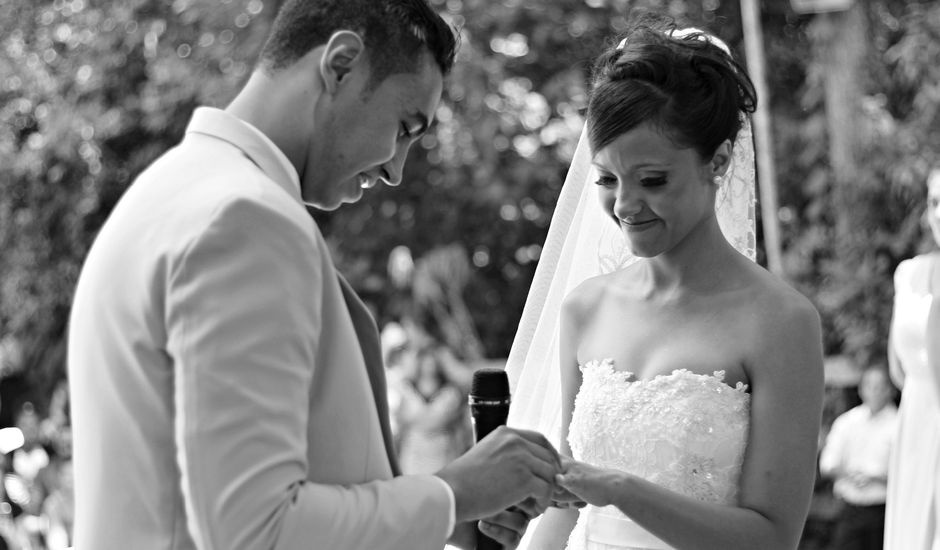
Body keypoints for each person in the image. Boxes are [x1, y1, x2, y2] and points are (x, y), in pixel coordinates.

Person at [67, 1, 565, 549]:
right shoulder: (242, 220)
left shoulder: (175, 191)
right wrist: (452, 494)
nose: (396, 170)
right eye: (404, 128)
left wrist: (438, 518)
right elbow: (256, 531)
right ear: (341, 64)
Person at [506, 20, 825, 550]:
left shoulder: (781, 321)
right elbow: (562, 511)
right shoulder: (585, 307)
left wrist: (620, 489)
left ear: (717, 161)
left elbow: (772, 537)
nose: (626, 207)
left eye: (652, 180)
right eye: (607, 179)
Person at [884, 166, 940, 550]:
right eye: (936, 201)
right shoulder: (908, 274)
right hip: (917, 419)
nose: (939, 213)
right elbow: (897, 369)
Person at [819, 366, 898, 550]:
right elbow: (827, 464)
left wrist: (874, 478)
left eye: (880, 386)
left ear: (890, 390)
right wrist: (850, 474)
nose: (875, 391)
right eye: (870, 385)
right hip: (849, 510)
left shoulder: (899, 425)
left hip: (883, 512)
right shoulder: (847, 422)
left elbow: (909, 474)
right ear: (861, 389)